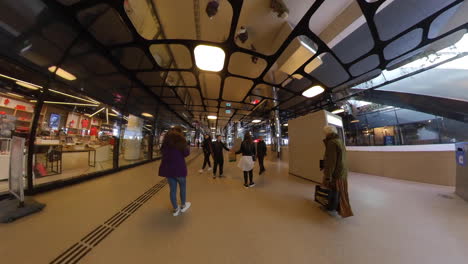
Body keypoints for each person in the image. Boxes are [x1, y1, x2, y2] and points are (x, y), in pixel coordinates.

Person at [158, 126, 191, 216]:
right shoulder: (181, 141)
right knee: (182, 187)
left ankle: (176, 209)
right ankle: (183, 206)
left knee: (172, 190)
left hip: (169, 170)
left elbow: (162, 152)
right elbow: (186, 153)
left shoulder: (166, 141)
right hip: (179, 169)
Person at [322, 125, 353, 218]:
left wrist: (328, 176)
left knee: (335, 191)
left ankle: (333, 207)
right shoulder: (339, 141)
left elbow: (331, 161)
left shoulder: (331, 143)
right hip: (342, 170)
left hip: (336, 172)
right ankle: (339, 207)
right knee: (341, 191)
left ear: (327, 133)